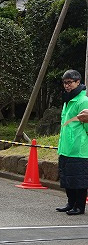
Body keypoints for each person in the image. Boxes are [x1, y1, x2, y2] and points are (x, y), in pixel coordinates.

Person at [56, 70, 88, 216]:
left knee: (78, 179)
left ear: (78, 82)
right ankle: (70, 203)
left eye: (70, 82)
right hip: (66, 147)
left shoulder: (83, 101)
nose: (67, 86)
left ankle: (79, 206)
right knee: (67, 177)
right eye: (65, 83)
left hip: (79, 148)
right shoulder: (68, 100)